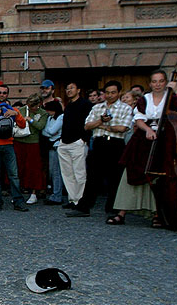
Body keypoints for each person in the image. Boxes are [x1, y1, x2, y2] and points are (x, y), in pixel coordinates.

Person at [108, 70, 177, 227]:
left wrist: (176, 89)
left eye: (161, 81)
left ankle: (156, 213)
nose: (157, 84)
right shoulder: (145, 99)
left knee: (158, 177)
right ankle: (121, 212)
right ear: (150, 84)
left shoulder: (172, 98)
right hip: (143, 140)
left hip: (164, 141)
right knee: (131, 172)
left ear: (166, 82)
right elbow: (139, 119)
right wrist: (147, 129)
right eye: (154, 81)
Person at [66, 81, 133, 218]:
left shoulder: (125, 108)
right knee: (92, 176)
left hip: (115, 143)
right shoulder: (97, 108)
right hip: (98, 143)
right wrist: (101, 121)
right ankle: (84, 207)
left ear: (119, 93)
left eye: (113, 92)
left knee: (115, 178)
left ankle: (114, 208)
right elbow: (87, 126)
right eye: (107, 92)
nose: (110, 95)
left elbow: (123, 128)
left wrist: (102, 127)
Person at [57, 82, 93, 209]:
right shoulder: (68, 106)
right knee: (67, 173)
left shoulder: (86, 104)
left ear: (78, 90)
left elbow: (89, 123)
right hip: (64, 142)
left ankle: (80, 200)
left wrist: (83, 140)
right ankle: (72, 199)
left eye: (71, 88)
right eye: (67, 88)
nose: (69, 90)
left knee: (79, 173)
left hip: (77, 142)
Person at [13, 93, 48, 205]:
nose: (31, 108)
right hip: (19, 141)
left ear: (39, 104)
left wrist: (30, 120)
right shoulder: (21, 110)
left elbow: (40, 126)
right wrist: (22, 120)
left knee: (34, 169)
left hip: (33, 142)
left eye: (33, 106)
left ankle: (34, 193)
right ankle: (17, 193)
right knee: (19, 168)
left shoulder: (43, 113)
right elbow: (16, 122)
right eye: (29, 106)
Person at [41, 101, 65, 205]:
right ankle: (56, 193)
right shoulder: (50, 118)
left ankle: (57, 195)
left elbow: (50, 131)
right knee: (53, 172)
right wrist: (50, 132)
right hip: (51, 145)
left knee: (56, 172)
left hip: (57, 146)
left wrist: (49, 132)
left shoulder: (61, 117)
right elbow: (46, 131)